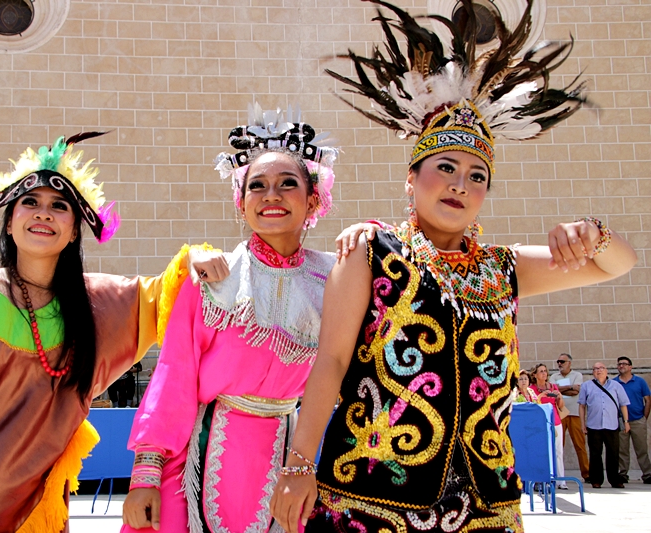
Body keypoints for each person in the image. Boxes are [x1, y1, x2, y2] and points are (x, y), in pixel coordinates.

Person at [270, 2, 637, 532]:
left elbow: (617, 265)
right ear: (411, 178)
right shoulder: (371, 251)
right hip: (372, 499)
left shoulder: (502, 268)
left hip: (486, 506)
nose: (460, 184)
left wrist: (592, 232)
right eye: (445, 168)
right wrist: (300, 465)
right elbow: (329, 362)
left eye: (476, 175)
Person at [0, 134, 225, 533]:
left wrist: (195, 257)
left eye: (59, 206)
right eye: (30, 202)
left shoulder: (97, 306)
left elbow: (164, 297)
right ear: (10, 223)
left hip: (34, 514)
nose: (43, 213)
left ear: (73, 233)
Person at [120, 105, 340, 532]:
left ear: (313, 199)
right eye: (257, 186)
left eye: (287, 184)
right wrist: (145, 475)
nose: (271, 195)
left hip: (288, 457)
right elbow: (174, 375)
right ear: (241, 204)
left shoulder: (333, 279)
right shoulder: (213, 277)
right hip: (195, 464)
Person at [579, 362, 631, 488]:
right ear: (593, 372)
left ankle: (614, 479)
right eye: (595, 368)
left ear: (606, 371)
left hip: (612, 425)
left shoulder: (616, 386)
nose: (599, 370)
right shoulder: (586, 386)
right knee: (595, 453)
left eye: (601, 368)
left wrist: (626, 421)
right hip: (594, 425)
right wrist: (582, 424)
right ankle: (596, 480)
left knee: (613, 453)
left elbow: (623, 404)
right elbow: (582, 406)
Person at [549, 353, 589, 482]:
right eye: (558, 361)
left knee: (580, 444)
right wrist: (570, 388)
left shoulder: (577, 375)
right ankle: (557, 474)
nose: (560, 364)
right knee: (559, 445)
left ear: (569, 363)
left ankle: (587, 473)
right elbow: (553, 392)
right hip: (560, 414)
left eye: (562, 361)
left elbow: (577, 391)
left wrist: (560, 390)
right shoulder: (554, 376)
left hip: (574, 413)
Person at [613, 356, 651, 483]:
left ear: (630, 367)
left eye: (624, 364)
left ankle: (647, 474)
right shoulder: (613, 383)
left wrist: (644, 418)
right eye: (619, 364)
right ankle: (623, 474)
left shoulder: (640, 381)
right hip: (621, 421)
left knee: (642, 449)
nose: (621, 366)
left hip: (637, 420)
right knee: (622, 449)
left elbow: (648, 400)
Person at [530, 363, 567, 488]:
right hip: (540, 423)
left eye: (545, 371)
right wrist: (541, 396)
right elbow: (532, 405)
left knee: (558, 451)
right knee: (542, 451)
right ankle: (543, 479)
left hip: (555, 421)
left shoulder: (553, 386)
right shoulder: (532, 389)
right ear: (535, 375)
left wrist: (559, 397)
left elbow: (560, 406)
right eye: (540, 371)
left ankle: (561, 480)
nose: (544, 373)